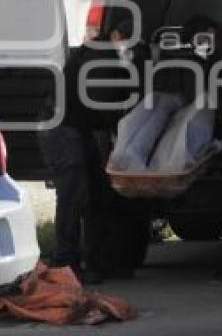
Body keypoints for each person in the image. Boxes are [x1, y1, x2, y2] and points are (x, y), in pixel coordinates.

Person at [43, 21, 143, 284]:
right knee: (74, 196)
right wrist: (119, 128)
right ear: (116, 34)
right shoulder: (101, 56)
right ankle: (67, 261)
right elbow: (102, 102)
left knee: (95, 194)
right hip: (63, 129)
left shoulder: (102, 55)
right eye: (126, 40)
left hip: (75, 127)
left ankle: (94, 260)